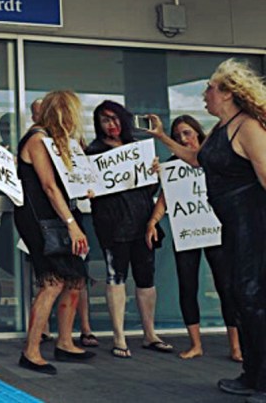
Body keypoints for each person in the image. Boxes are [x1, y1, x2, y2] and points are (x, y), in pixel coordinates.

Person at [146, 59, 266, 402]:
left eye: (210, 88)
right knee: (239, 296)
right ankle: (252, 374)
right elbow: (197, 159)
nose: (204, 94)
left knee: (253, 298)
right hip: (232, 225)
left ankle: (263, 380)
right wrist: (162, 137)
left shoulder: (249, 128)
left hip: (254, 224)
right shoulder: (221, 128)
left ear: (227, 93)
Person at [144, 115, 241, 361]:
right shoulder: (173, 165)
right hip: (187, 232)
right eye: (177, 136)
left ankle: (236, 346)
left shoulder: (213, 158)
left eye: (187, 133)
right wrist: (153, 221)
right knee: (188, 286)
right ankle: (195, 344)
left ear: (198, 132)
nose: (183, 139)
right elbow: (165, 198)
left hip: (215, 230)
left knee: (226, 286)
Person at [14, 91, 95, 375]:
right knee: (53, 281)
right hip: (43, 220)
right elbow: (49, 187)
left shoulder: (59, 142)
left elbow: (63, 184)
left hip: (60, 216)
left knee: (75, 279)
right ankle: (31, 351)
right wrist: (71, 224)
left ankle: (65, 342)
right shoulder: (37, 139)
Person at [86, 100, 171, 359]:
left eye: (114, 118)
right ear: (98, 125)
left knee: (146, 278)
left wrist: (154, 174)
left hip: (142, 222)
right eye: (105, 120)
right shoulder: (93, 152)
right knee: (116, 277)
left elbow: (149, 190)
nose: (111, 124)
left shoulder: (137, 147)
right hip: (112, 225)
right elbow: (87, 189)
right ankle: (119, 337)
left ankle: (150, 334)